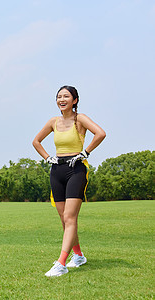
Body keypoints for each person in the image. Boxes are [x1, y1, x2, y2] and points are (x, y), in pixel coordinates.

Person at [32, 85, 106, 277]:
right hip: (57, 170)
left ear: (74, 100)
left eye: (66, 96)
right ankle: (79, 256)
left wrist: (85, 152)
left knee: (70, 218)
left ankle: (61, 263)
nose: (61, 99)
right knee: (64, 220)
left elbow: (100, 133)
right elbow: (36, 141)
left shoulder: (79, 119)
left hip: (76, 169)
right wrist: (48, 157)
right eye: (58, 96)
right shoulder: (53, 122)